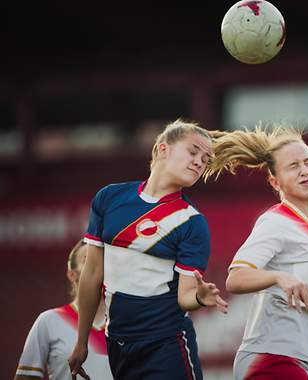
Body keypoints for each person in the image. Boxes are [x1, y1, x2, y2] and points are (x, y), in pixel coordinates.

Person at [69, 119, 228, 380]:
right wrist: (81, 342)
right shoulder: (108, 198)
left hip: (166, 344)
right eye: (193, 151)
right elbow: (92, 273)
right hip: (118, 344)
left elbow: (185, 297)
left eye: (205, 159)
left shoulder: (192, 222)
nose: (200, 162)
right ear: (163, 149)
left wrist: (199, 298)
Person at [204, 125, 308, 380]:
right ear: (274, 181)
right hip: (270, 359)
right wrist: (280, 277)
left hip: (303, 363)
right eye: (293, 166)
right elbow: (235, 278)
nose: (304, 170)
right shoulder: (276, 222)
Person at [14, 239, 113, 380]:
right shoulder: (49, 321)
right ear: (72, 274)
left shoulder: (124, 323)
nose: (95, 267)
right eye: (87, 260)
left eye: (101, 260)